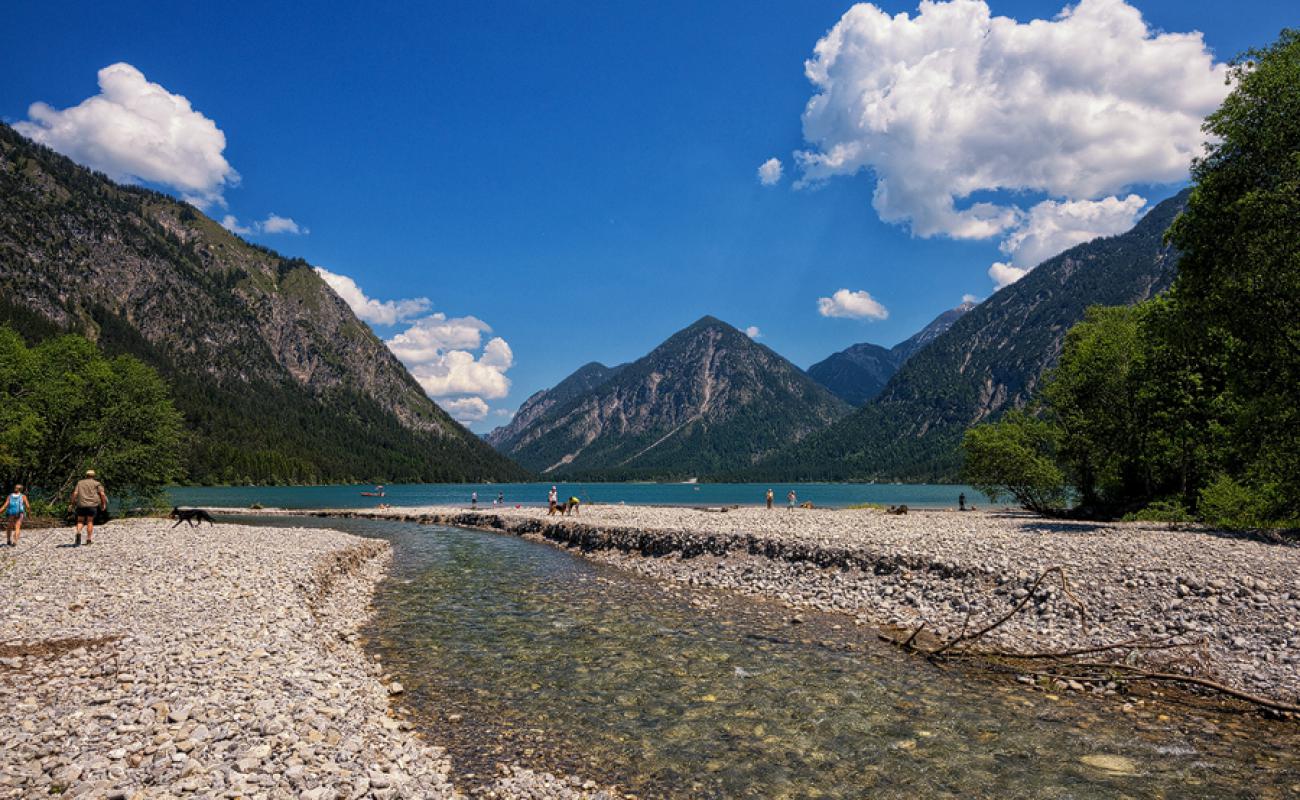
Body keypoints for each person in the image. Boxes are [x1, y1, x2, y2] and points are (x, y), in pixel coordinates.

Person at [70, 469, 107, 546]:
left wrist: (72, 503)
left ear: (86, 475)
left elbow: (75, 493)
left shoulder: (80, 483)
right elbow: (102, 494)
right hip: (92, 505)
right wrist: (103, 504)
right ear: (94, 476)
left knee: (80, 521)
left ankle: (78, 532)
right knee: (89, 521)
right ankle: (88, 540)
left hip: (81, 505)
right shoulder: (97, 483)